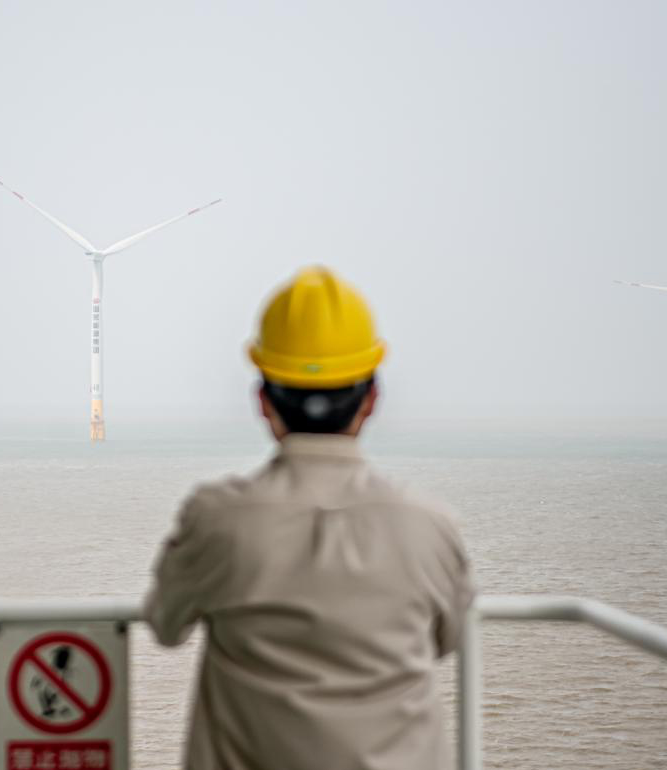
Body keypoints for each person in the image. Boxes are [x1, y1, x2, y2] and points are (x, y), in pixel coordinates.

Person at [144, 266, 475, 770]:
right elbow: (448, 639)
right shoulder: (429, 526)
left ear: (262, 401)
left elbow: (165, 624)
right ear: (372, 400)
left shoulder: (216, 519)